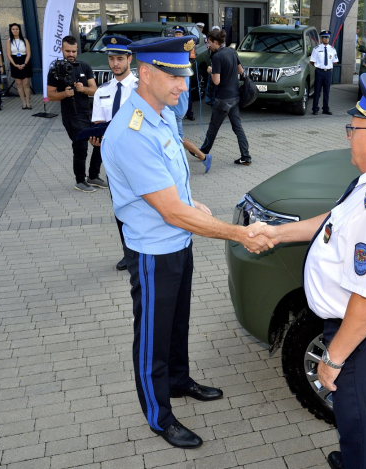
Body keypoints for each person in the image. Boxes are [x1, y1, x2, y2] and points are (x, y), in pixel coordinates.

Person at [100, 36, 275, 449]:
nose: (184, 86)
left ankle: (178, 381)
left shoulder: (158, 115)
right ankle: (159, 416)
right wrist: (237, 233)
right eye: (174, 76)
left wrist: (189, 200)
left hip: (178, 243)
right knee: (152, 337)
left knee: (177, 323)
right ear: (146, 73)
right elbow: (171, 212)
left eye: (185, 75)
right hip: (153, 250)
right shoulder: (130, 132)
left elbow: (172, 187)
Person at [249, 73, 366, 469]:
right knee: (357, 416)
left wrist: (332, 359)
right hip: (363, 329)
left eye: (354, 128)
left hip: (362, 333)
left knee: (361, 417)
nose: (347, 135)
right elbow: (334, 220)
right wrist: (277, 233)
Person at [89, 35, 138, 271]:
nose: (115, 63)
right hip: (114, 162)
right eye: (111, 59)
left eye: (120, 58)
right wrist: (96, 135)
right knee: (120, 207)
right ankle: (129, 253)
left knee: (144, 205)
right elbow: (98, 121)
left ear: (130, 58)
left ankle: (145, 250)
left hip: (138, 158)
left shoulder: (141, 89)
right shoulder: (102, 91)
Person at [47, 35, 103, 193]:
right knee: (81, 147)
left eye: (73, 51)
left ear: (77, 49)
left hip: (88, 113)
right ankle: (80, 180)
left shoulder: (84, 66)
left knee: (100, 141)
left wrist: (83, 89)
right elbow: (50, 95)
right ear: (62, 50)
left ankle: (93, 176)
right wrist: (64, 94)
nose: (71, 54)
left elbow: (95, 90)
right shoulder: (55, 69)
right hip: (71, 115)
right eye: (67, 51)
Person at [199, 28, 252, 166]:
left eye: (209, 43)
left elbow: (216, 81)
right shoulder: (231, 51)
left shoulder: (217, 57)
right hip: (235, 96)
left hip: (223, 99)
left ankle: (203, 152)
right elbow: (240, 70)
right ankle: (245, 156)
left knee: (213, 128)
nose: (208, 46)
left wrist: (211, 70)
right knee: (238, 127)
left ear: (216, 42)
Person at [169, 26, 212, 173]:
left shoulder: (181, 69)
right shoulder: (183, 67)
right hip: (176, 108)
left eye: (179, 34)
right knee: (176, 138)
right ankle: (202, 158)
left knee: (178, 139)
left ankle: (202, 158)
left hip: (175, 109)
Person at [311, 30, 338, 115]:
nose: (326, 39)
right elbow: (312, 61)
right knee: (317, 91)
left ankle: (325, 108)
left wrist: (328, 66)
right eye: (325, 37)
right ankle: (315, 109)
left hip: (328, 73)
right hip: (319, 72)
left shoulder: (332, 49)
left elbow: (335, 61)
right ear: (321, 39)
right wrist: (319, 66)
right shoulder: (316, 49)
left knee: (327, 91)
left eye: (328, 37)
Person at [6, 23, 33, 110]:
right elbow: (8, 54)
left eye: (17, 29)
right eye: (13, 29)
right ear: (11, 30)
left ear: (19, 30)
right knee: (19, 84)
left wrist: (24, 63)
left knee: (26, 84)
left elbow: (28, 53)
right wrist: (15, 65)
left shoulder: (25, 40)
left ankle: (28, 103)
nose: (15, 31)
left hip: (25, 61)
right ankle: (23, 103)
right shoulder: (9, 41)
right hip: (15, 62)